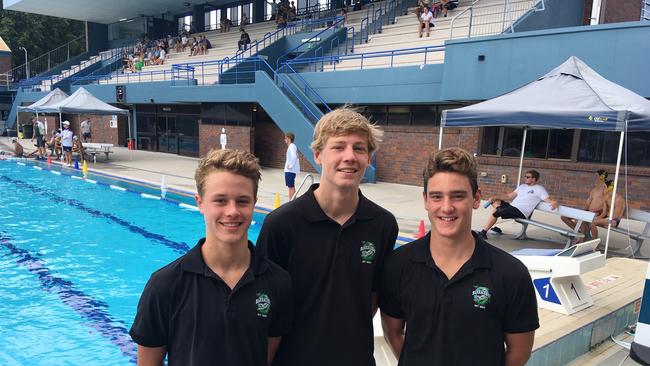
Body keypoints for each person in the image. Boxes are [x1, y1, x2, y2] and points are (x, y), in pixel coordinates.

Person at [257, 108, 399, 366]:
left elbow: (374, 298)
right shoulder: (281, 225)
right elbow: (265, 308)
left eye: (359, 148)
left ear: (369, 158)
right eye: (339, 147)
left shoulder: (383, 225)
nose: (350, 157)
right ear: (318, 155)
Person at [130, 149, 293, 365]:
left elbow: (266, 359)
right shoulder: (165, 285)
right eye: (220, 200)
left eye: (242, 201)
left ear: (254, 203)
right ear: (200, 203)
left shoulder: (277, 282)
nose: (232, 211)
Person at [380, 147, 539, 365]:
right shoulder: (398, 265)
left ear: (476, 198)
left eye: (457, 196)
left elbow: (519, 350)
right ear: (426, 200)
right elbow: (393, 333)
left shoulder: (510, 273)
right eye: (437, 197)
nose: (446, 208)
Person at [479, 169, 558, 239]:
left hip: (521, 212)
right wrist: (496, 197)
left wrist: (553, 202)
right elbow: (509, 196)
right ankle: (497, 209)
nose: (525, 178)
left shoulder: (539, 189)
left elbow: (547, 199)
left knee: (497, 212)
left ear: (533, 179)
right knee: (495, 201)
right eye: (525, 176)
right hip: (512, 207)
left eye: (527, 177)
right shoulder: (522, 186)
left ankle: (484, 232)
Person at [561, 169, 607, 235]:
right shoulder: (594, 189)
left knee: (579, 220)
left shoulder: (606, 189)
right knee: (564, 217)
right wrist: (582, 211)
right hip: (588, 212)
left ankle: (582, 237)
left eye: (596, 176)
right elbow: (588, 203)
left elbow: (606, 204)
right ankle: (581, 233)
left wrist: (598, 213)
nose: (595, 178)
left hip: (596, 214)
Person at [283, 132, 300, 199]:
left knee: (291, 187)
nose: (284, 140)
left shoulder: (292, 146)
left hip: (290, 170)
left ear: (289, 139)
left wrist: (290, 166)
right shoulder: (292, 146)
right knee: (291, 186)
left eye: (285, 138)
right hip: (290, 171)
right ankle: (293, 200)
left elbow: (294, 156)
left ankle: (291, 201)